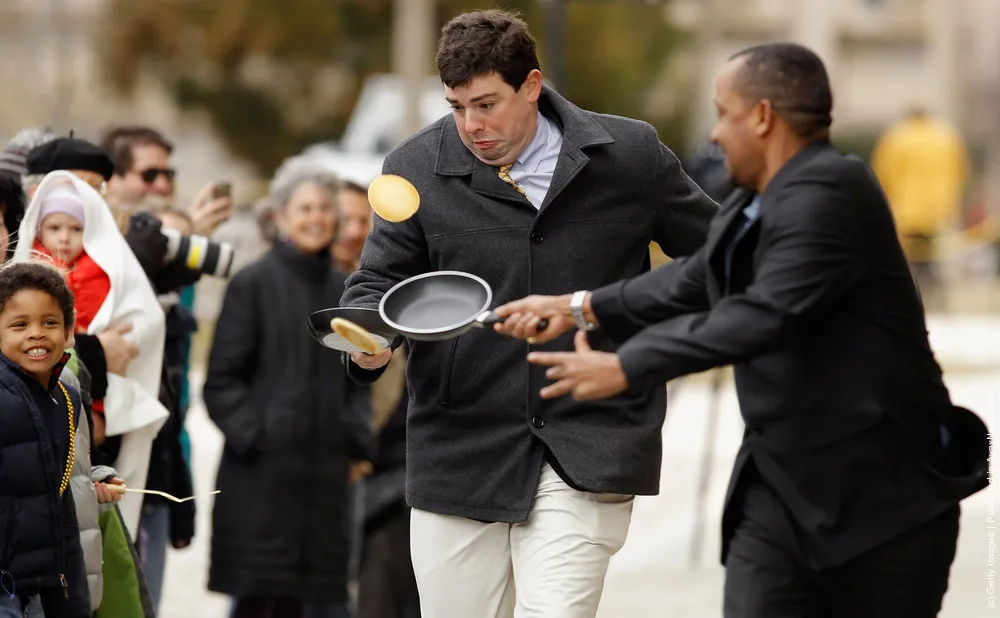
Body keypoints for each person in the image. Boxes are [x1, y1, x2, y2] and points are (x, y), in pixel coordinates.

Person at [493, 43, 990, 618]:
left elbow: (765, 314)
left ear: (762, 117)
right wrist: (579, 307)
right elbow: (697, 279)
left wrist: (629, 365)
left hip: (882, 506)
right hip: (780, 496)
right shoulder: (753, 200)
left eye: (724, 114)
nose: (714, 134)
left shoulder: (834, 191)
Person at [340, 9, 717, 617]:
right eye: (457, 106)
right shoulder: (411, 169)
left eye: (487, 104)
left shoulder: (631, 155)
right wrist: (367, 338)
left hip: (590, 438)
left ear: (532, 86)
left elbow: (718, 256)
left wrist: (646, 343)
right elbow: (378, 282)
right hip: (458, 449)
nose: (471, 125)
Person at [204, 157, 372, 618]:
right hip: (261, 482)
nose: (316, 218)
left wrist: (357, 442)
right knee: (261, 602)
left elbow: (359, 380)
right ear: (280, 216)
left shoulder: (345, 290)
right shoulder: (251, 285)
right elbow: (220, 381)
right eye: (305, 208)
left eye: (324, 208)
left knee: (318, 602)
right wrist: (259, 435)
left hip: (326, 485)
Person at [14, 171, 169, 539]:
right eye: (54, 228)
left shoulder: (106, 270)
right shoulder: (26, 273)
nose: (64, 237)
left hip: (95, 397)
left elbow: (141, 321)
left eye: (75, 228)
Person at [0, 261, 90, 618]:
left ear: (69, 330)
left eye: (49, 322)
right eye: (19, 325)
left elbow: (60, 506)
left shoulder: (67, 399)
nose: (36, 333)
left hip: (38, 592)